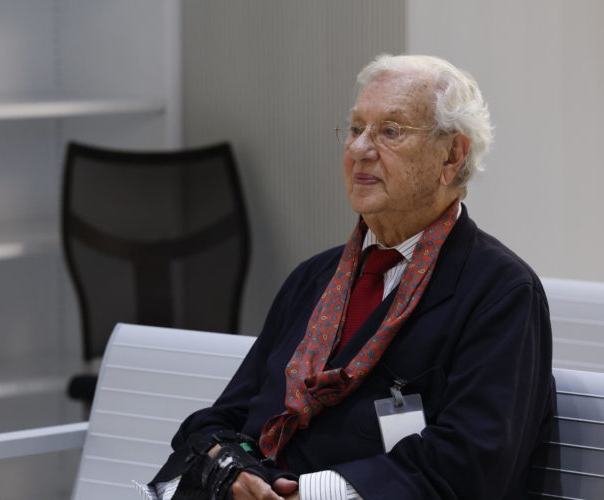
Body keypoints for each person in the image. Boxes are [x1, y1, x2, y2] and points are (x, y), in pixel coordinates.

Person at [145, 54, 555, 500]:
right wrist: (229, 470)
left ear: (451, 156)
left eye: (390, 131)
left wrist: (309, 493)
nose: (359, 149)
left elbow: (473, 463)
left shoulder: (501, 291)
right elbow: (225, 419)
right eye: (357, 128)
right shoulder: (312, 278)